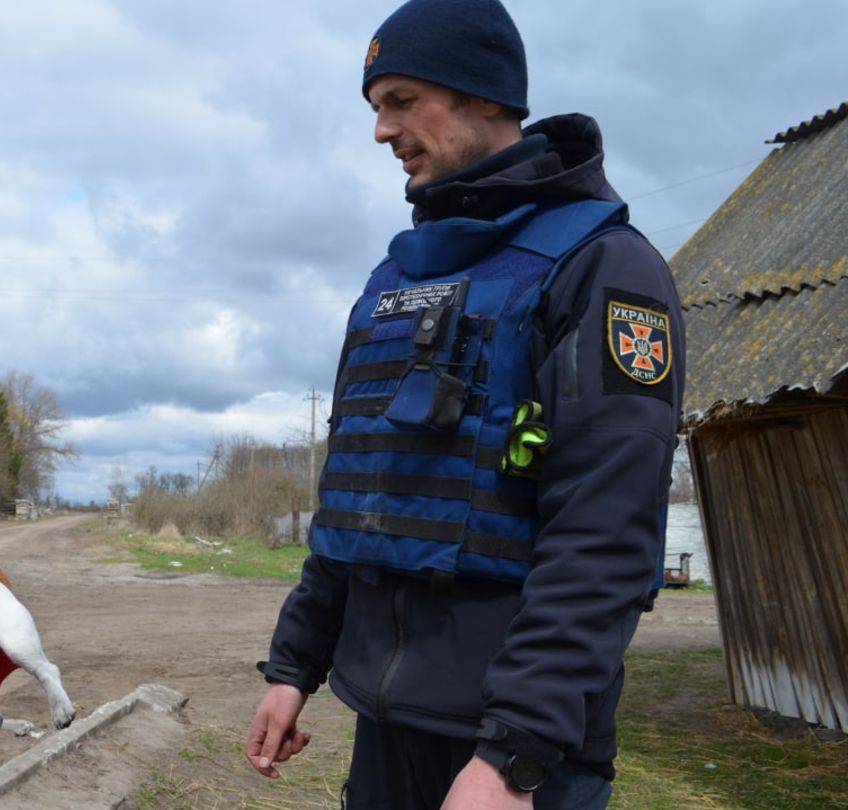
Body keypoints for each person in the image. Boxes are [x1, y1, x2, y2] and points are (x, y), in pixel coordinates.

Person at [244, 2, 685, 808]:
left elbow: (605, 534)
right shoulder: (393, 285)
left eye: (404, 101)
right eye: (376, 107)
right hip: (389, 732)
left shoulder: (604, 269)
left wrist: (513, 753)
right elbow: (356, 499)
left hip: (518, 756)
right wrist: (293, 668)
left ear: (489, 96)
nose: (382, 130)